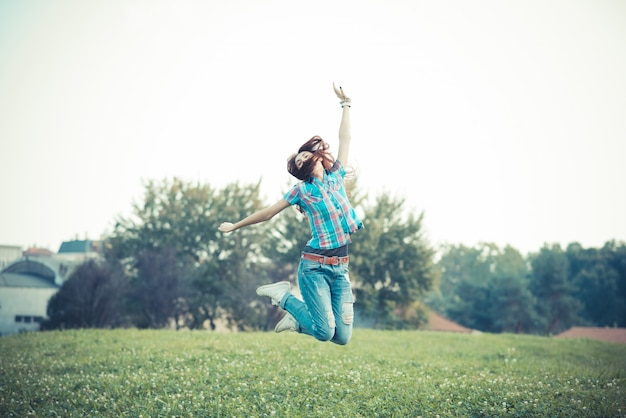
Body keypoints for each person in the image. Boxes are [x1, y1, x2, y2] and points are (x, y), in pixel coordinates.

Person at [218, 83, 363, 345]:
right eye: (297, 162)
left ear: (317, 157)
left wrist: (346, 104)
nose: (301, 160)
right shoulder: (301, 191)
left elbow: (346, 138)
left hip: (341, 268)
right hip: (314, 266)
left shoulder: (337, 177)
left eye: (304, 156)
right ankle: (284, 297)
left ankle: (297, 320)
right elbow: (268, 213)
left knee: (342, 337)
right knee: (324, 332)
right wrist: (236, 225)